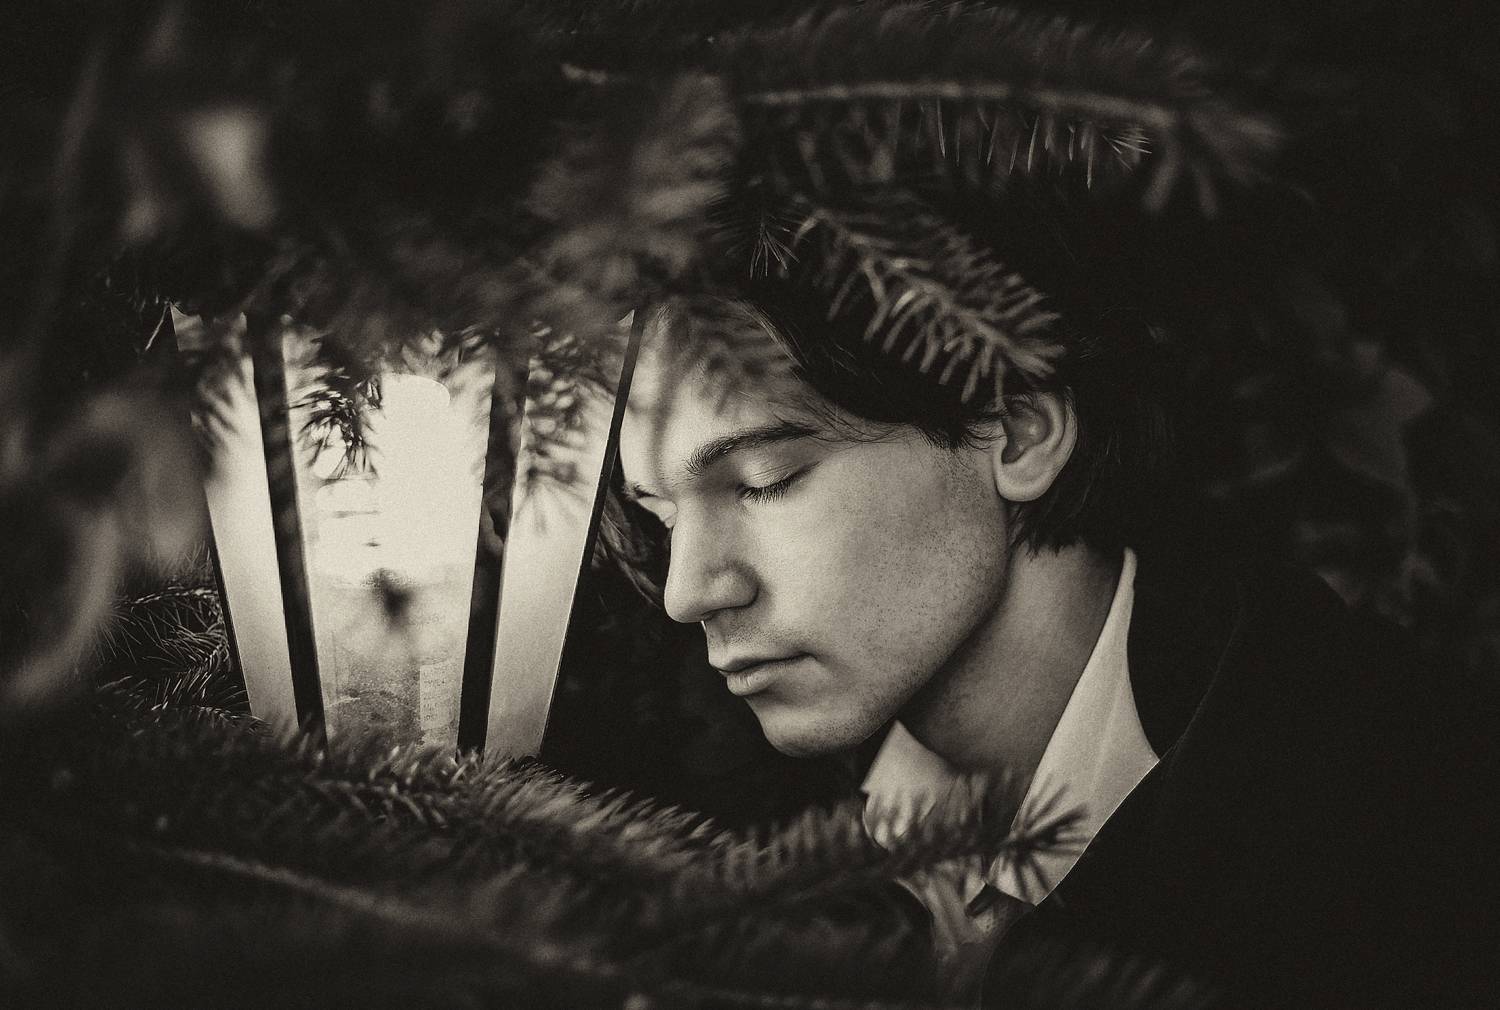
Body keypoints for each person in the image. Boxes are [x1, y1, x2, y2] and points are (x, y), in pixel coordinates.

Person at [614, 273, 1499, 1007]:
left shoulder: (1409, 827)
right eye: (658, 517)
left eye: (765, 481)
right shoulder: (708, 852)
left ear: (1019, 433)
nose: (687, 592)